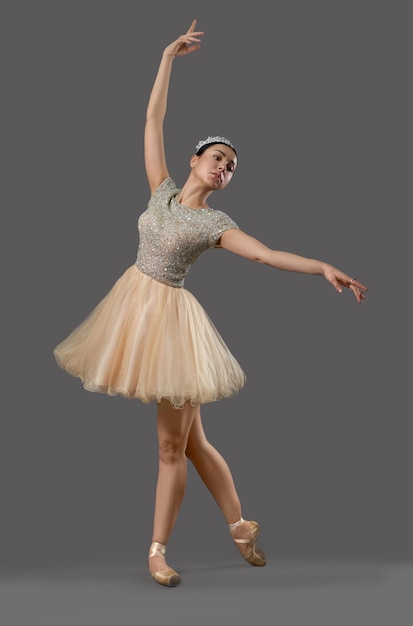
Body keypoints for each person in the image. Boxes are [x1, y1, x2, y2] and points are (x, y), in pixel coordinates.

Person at [53, 20, 368, 587]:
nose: (224, 168)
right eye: (219, 158)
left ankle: (156, 551)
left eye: (232, 168)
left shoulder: (215, 223)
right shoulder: (161, 189)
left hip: (169, 324)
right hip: (133, 310)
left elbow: (266, 255)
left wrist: (321, 265)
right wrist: (166, 58)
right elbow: (152, 120)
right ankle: (241, 526)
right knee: (194, 442)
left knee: (172, 445)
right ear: (196, 158)